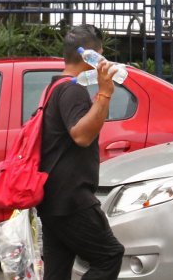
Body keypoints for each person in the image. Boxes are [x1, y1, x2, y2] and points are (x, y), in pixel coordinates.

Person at [37, 24, 124, 280]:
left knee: (57, 271)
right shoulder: (72, 90)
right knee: (109, 255)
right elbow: (82, 135)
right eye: (101, 54)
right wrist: (105, 93)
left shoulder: (55, 86)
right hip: (71, 199)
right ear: (91, 56)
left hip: (53, 197)